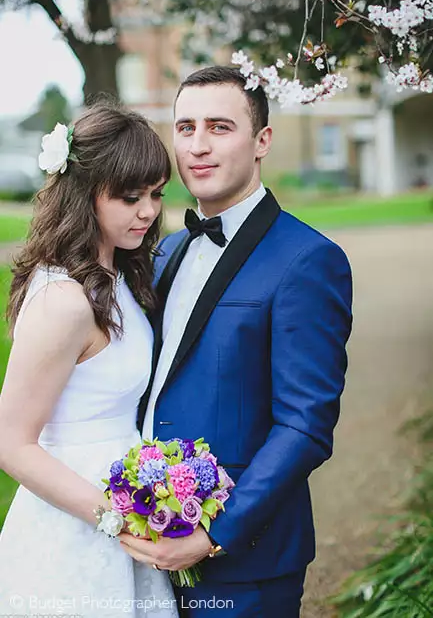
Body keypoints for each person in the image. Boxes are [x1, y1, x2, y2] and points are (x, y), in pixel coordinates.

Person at [120, 67, 353, 618]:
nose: (197, 146)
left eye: (220, 127)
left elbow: (306, 425)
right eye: (185, 127)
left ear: (262, 140)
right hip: (146, 544)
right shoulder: (165, 252)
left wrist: (212, 535)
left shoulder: (308, 260)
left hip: (246, 562)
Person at [0, 104, 178, 618]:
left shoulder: (117, 276)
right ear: (85, 193)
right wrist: (116, 517)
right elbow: (11, 443)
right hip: (76, 523)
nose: (148, 211)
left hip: (126, 507)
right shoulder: (64, 300)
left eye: (156, 194)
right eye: (130, 197)